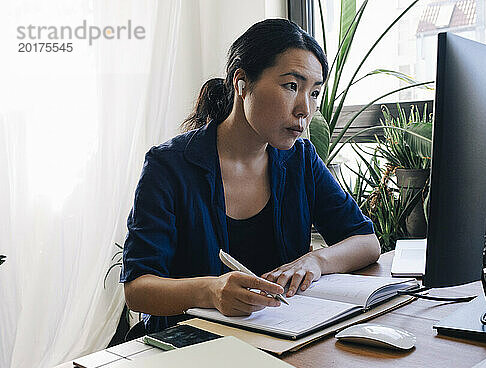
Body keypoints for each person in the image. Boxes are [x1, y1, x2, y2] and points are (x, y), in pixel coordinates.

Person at [121, 19, 380, 334]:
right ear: (242, 83)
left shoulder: (301, 159)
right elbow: (137, 288)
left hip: (282, 337)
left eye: (314, 93)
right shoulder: (169, 166)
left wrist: (315, 262)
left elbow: (366, 242)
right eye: (291, 86)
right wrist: (210, 291)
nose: (305, 109)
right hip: (187, 343)